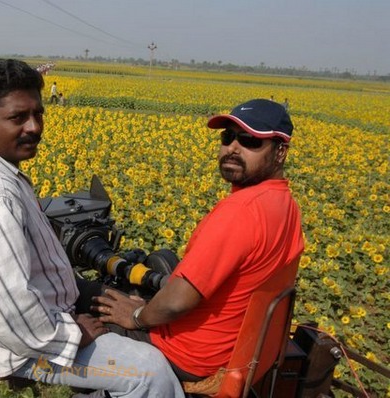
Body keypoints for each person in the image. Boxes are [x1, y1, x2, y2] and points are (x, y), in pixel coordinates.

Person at [0, 59, 184, 398]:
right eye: (17, 117)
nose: (34, 127)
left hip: (42, 315)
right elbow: (14, 316)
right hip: (26, 347)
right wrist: (74, 332)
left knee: (131, 301)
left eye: (38, 114)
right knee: (150, 372)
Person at [94, 98, 304, 382]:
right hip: (235, 348)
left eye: (250, 141)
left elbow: (176, 303)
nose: (232, 148)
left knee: (84, 296)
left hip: (188, 354)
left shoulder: (241, 211)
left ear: (280, 152)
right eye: (228, 137)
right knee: (152, 272)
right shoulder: (284, 203)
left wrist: (137, 317)